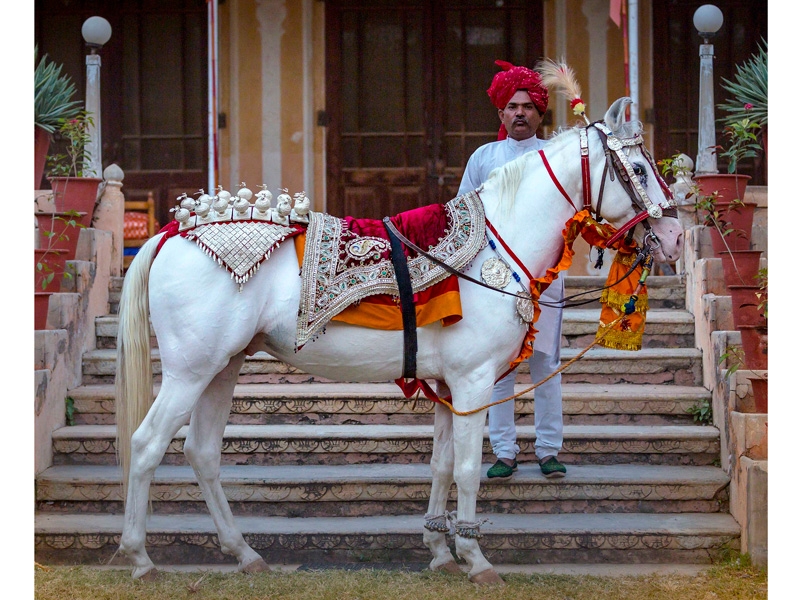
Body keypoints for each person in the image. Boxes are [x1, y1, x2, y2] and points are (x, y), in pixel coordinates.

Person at [457, 60, 567, 480]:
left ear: (540, 113)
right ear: (501, 114)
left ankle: (548, 451)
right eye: (512, 106)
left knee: (545, 365)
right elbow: (465, 212)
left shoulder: (554, 156)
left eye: (528, 106)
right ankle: (504, 452)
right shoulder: (484, 157)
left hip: (547, 276)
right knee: (500, 368)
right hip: (494, 280)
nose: (520, 112)